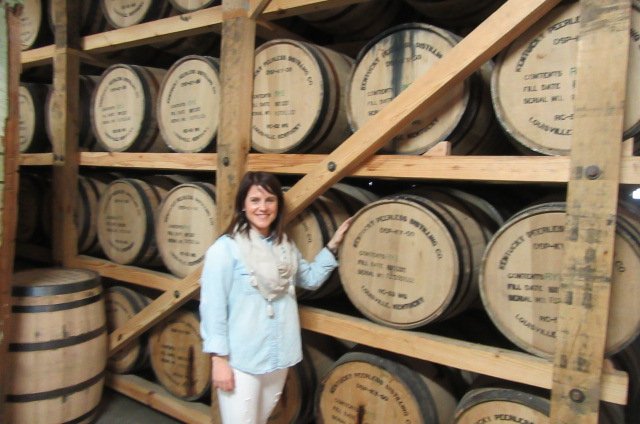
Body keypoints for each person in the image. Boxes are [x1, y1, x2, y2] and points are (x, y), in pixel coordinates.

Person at [199, 171, 352, 424]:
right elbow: (213, 307)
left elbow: (310, 279)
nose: (263, 207)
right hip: (242, 359)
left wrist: (333, 246)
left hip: (279, 355)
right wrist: (218, 360)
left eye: (270, 200)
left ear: (278, 205)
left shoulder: (285, 246)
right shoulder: (226, 249)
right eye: (255, 200)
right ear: (243, 205)